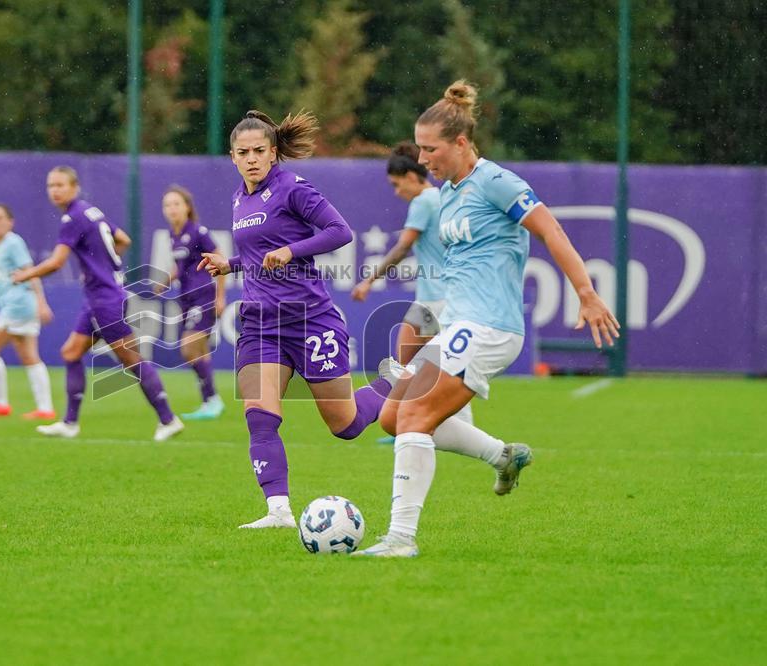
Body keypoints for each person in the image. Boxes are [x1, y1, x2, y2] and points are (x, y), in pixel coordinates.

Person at [355, 81, 620, 558]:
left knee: (414, 415)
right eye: (419, 147)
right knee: (393, 418)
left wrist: (587, 293)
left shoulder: (496, 182)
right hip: (457, 324)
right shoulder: (448, 192)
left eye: (429, 148)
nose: (422, 157)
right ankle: (504, 455)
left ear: (460, 143)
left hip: (491, 327)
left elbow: (550, 229)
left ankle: (400, 539)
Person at [198, 110, 396, 529]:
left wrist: (292, 251)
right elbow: (258, 253)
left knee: (344, 425)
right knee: (259, 413)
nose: (251, 158)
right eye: (242, 152)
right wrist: (229, 264)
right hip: (259, 323)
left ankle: (392, 381)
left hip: (310, 319)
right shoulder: (239, 198)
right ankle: (279, 511)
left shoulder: (291, 187)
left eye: (258, 151)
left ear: (273, 154)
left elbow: (340, 231)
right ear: (232, 157)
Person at [13, 166, 184, 442]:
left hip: (105, 300)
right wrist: (101, 265)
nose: (54, 190)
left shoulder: (72, 217)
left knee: (130, 359)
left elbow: (57, 262)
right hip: (100, 296)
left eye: (60, 185)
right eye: (50, 185)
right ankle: (69, 423)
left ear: (74, 187)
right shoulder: (90, 211)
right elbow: (123, 239)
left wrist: (25, 275)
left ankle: (168, 418)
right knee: (70, 352)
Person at [351, 141, 473, 428]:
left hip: (432, 302)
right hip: (452, 298)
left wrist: (369, 280)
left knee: (403, 367)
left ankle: (403, 424)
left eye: (397, 184)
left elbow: (403, 247)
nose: (397, 192)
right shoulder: (445, 197)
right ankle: (417, 424)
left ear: (410, 176)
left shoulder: (423, 201)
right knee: (441, 371)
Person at [0, 203, 55, 420]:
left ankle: (0, 404)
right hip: (22, 305)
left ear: (10, 222)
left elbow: (31, 272)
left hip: (18, 306)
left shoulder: (13, 243)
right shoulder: (2, 246)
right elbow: (7, 276)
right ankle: (45, 409)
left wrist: (42, 303)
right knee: (29, 357)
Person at [154, 185, 227, 420]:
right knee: (200, 351)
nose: (172, 209)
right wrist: (167, 280)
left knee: (188, 347)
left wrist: (221, 296)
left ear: (187, 207)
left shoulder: (198, 231)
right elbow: (182, 265)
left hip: (203, 295)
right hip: (185, 297)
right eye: (167, 205)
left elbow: (221, 261)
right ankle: (211, 401)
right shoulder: (174, 236)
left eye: (176, 204)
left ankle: (212, 399)